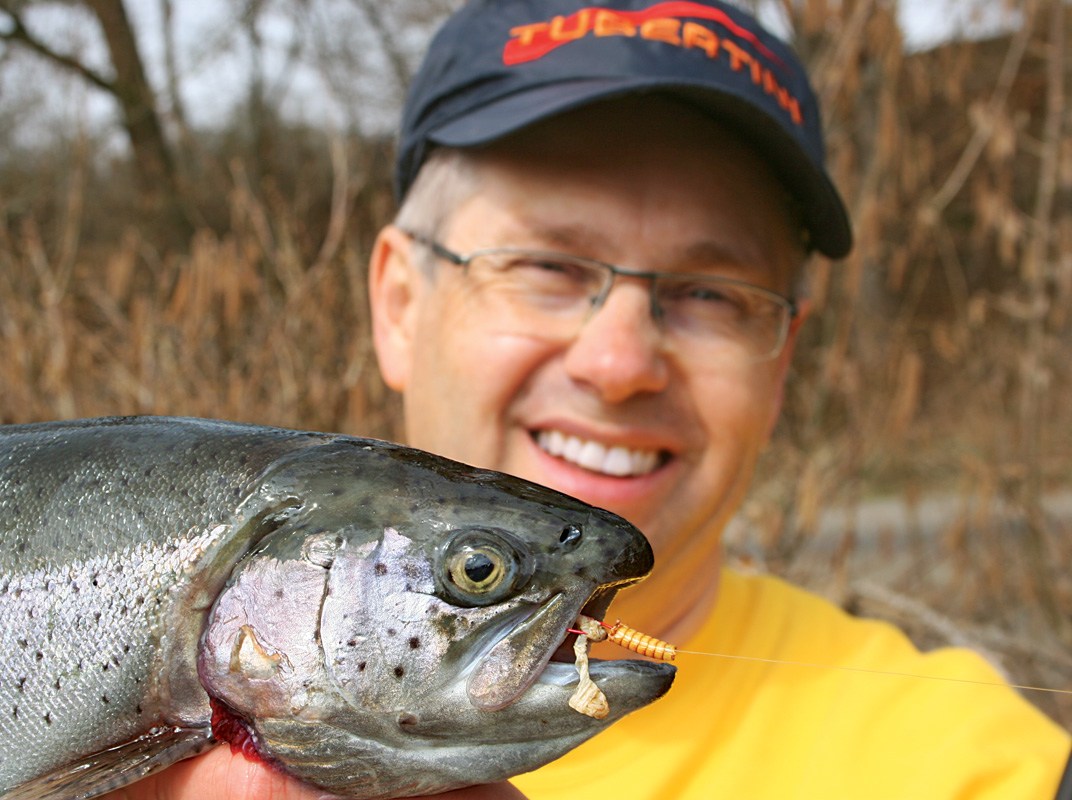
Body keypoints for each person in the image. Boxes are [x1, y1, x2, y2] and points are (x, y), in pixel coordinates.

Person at [112, 1, 1069, 798]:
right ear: (400, 305)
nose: (619, 363)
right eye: (546, 266)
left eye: (710, 295)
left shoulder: (968, 764)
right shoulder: (93, 723)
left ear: (781, 362)